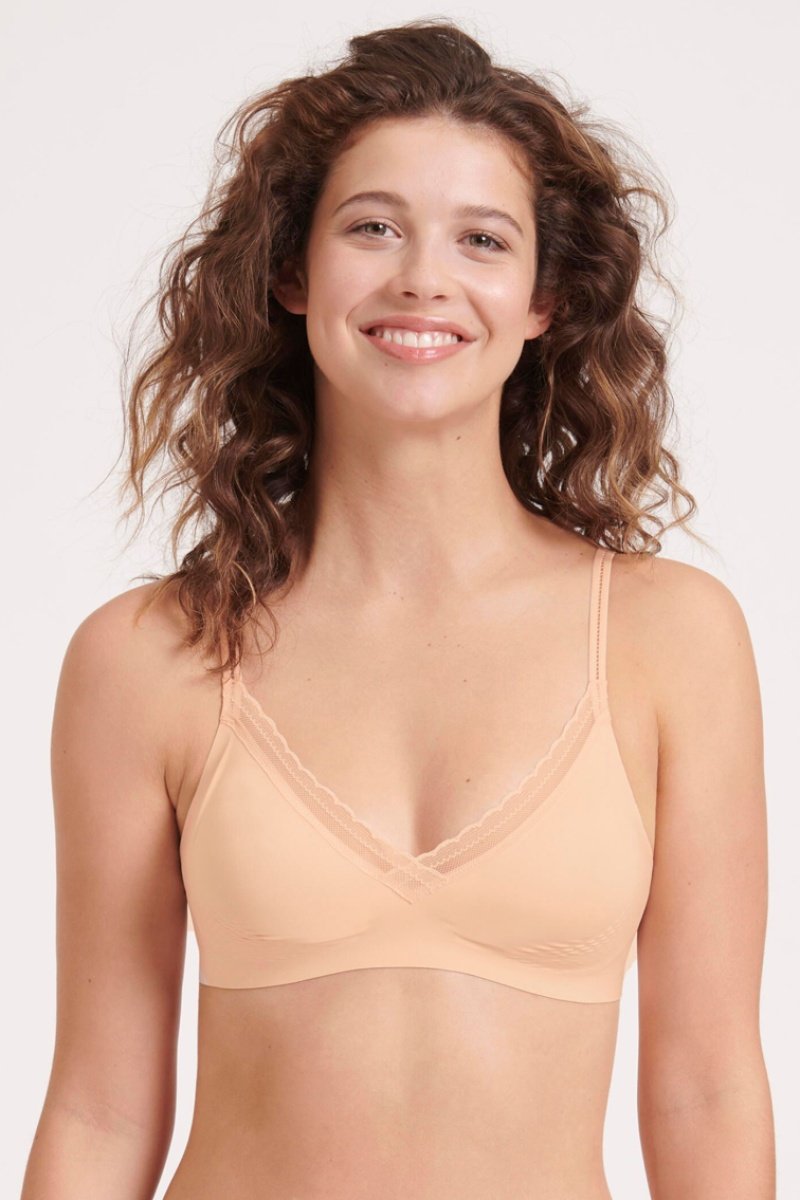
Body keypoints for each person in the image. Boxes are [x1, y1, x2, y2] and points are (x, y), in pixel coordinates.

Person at [21, 18, 775, 1200]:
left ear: (542, 297)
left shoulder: (669, 641)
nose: (423, 277)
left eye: (482, 239)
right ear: (290, 272)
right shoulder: (147, 658)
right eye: (371, 227)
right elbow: (99, 1107)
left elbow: (706, 1090)